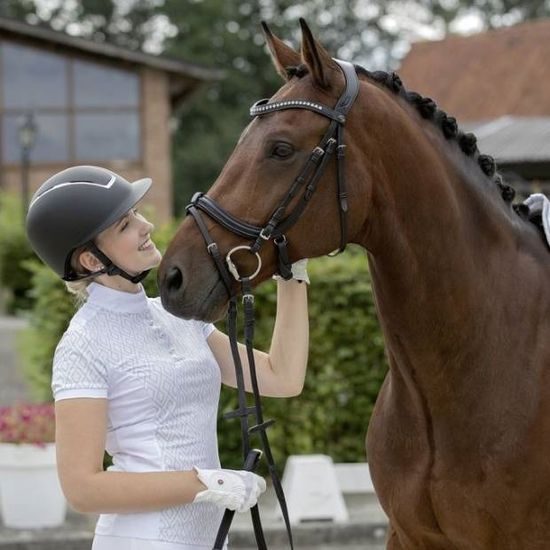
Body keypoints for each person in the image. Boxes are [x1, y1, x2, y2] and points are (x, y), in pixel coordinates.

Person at [25, 165, 309, 550]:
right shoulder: (83, 345)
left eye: (136, 214)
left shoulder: (178, 316)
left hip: (209, 540)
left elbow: (281, 377)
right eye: (124, 225)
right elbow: (82, 488)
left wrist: (292, 277)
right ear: (92, 261)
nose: (145, 226)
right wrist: (206, 482)